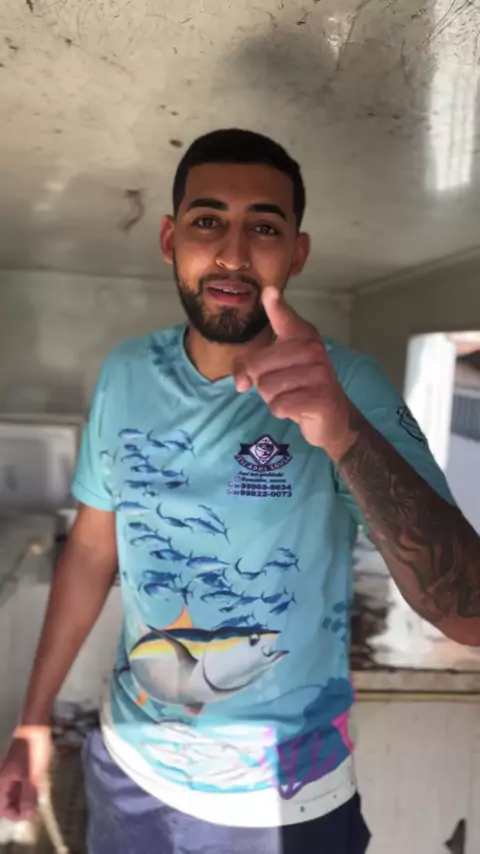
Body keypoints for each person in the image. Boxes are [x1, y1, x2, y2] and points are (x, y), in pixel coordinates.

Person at [1, 129, 479, 854]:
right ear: (170, 239)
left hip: (281, 800)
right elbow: (94, 550)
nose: (232, 253)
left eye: (264, 227)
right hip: (125, 767)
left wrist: (344, 432)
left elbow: (468, 615)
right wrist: (33, 718)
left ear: (297, 253)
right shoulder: (126, 372)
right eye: (207, 221)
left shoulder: (350, 384)